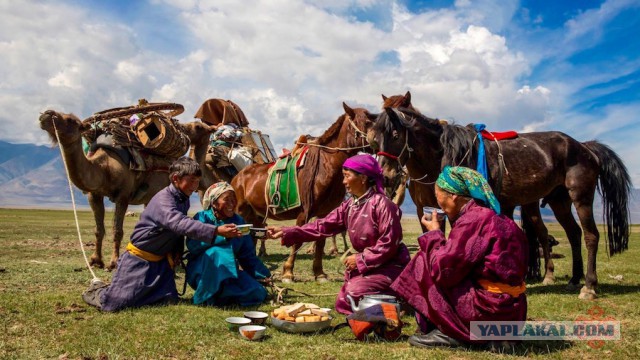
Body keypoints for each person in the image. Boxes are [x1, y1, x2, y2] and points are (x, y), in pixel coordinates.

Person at [390, 166, 528, 348]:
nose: (439, 206)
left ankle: (451, 331)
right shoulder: (498, 218)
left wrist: (434, 234)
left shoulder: (472, 220)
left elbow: (444, 271)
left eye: (439, 198)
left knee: (423, 261)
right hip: (514, 313)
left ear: (454, 196)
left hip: (488, 311)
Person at [82, 157, 242, 312]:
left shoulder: (183, 198)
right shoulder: (163, 200)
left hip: (160, 264)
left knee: (167, 299)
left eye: (197, 181)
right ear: (175, 179)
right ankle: (96, 290)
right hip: (139, 261)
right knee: (113, 304)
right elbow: (179, 223)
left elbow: (177, 231)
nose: (195, 186)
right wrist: (215, 230)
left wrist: (177, 250)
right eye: (191, 180)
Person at [266, 154, 410, 315]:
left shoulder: (383, 204)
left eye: (347, 176)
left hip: (390, 266)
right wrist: (288, 231)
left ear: (362, 178)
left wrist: (360, 259)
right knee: (347, 297)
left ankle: (401, 298)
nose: (343, 182)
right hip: (370, 267)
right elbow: (322, 226)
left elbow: (389, 243)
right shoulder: (350, 205)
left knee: (352, 295)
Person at [185, 182, 271, 306]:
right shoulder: (202, 218)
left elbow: (247, 255)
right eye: (226, 199)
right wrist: (222, 237)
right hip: (202, 271)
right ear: (214, 203)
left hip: (229, 271)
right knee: (218, 252)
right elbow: (193, 245)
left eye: (233, 199)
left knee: (258, 292)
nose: (232, 203)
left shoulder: (238, 221)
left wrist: (264, 275)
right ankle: (204, 297)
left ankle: (220, 298)